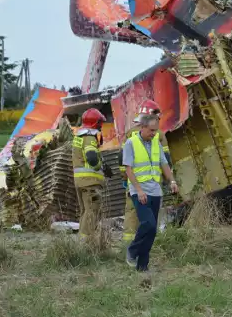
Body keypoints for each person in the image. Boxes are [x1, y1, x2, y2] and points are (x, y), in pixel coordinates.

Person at [123, 113, 178, 272]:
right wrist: (139, 190)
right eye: (151, 130)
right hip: (139, 192)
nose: (154, 133)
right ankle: (132, 251)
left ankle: (142, 266)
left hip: (155, 191)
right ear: (142, 127)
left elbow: (164, 164)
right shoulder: (130, 143)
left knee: (152, 231)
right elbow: (128, 169)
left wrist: (172, 181)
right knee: (149, 223)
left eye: (156, 130)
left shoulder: (156, 143)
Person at [118, 100, 171, 242]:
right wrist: (168, 180)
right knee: (152, 214)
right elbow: (166, 160)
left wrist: (124, 179)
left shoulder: (129, 134)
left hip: (134, 184)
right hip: (154, 184)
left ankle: (128, 243)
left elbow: (122, 160)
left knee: (131, 211)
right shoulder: (158, 134)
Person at [72, 108, 111, 238]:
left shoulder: (79, 136)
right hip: (90, 183)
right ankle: (86, 244)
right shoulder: (89, 137)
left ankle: (82, 241)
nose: (101, 126)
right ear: (95, 123)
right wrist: (100, 167)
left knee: (86, 211)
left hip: (81, 182)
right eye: (100, 123)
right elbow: (92, 158)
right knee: (92, 211)